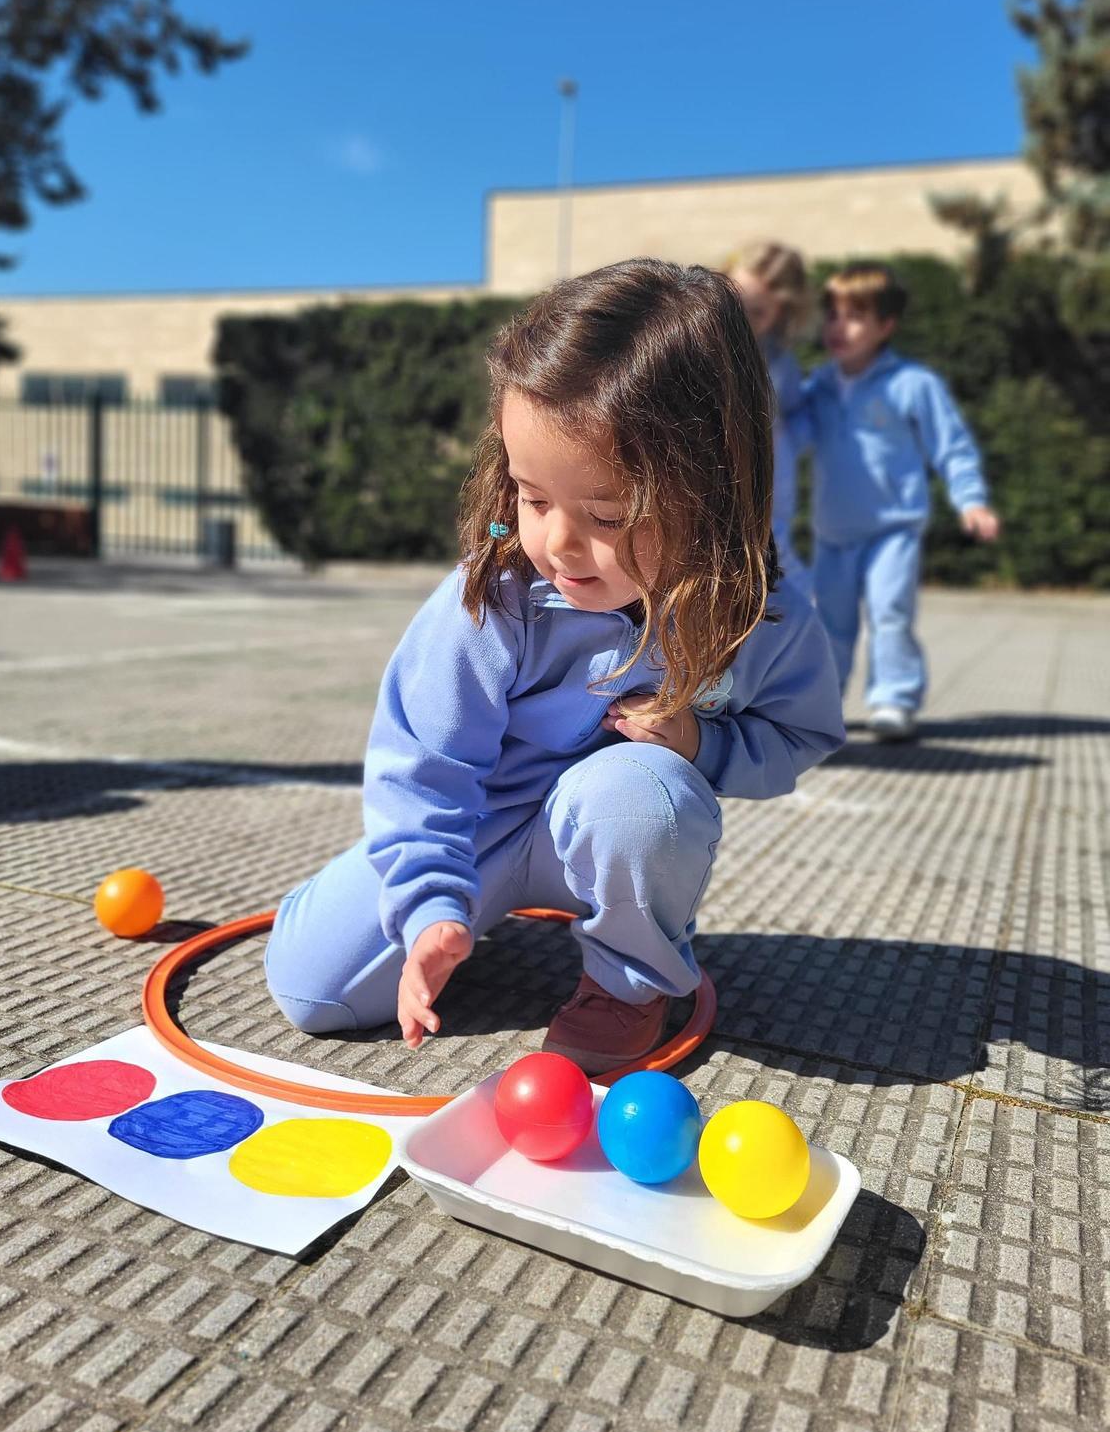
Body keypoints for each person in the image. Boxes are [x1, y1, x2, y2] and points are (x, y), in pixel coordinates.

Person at [266, 260, 845, 1073]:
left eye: (607, 514)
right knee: (311, 992)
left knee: (639, 800)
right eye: (534, 498)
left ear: (711, 486)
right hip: (476, 828)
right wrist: (432, 901)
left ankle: (630, 977)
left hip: (611, 832)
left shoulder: (762, 609)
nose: (560, 544)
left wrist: (700, 747)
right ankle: (425, 902)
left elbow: (799, 731)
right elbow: (422, 762)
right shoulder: (497, 592)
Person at [790, 262, 999, 742]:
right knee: (830, 624)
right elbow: (791, 437)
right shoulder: (817, 385)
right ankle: (825, 701)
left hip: (893, 529)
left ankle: (894, 699)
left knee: (890, 613)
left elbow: (951, 444)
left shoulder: (912, 383)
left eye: (855, 316)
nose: (839, 327)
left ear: (886, 326)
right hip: (833, 531)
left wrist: (972, 500)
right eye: (833, 316)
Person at [725, 242, 813, 596]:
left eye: (757, 312)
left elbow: (795, 414)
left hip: (768, 497)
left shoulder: (779, 362)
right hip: (713, 491)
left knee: (783, 579)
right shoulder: (692, 341)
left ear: (782, 313)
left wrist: (783, 443)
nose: (742, 318)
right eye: (735, 301)